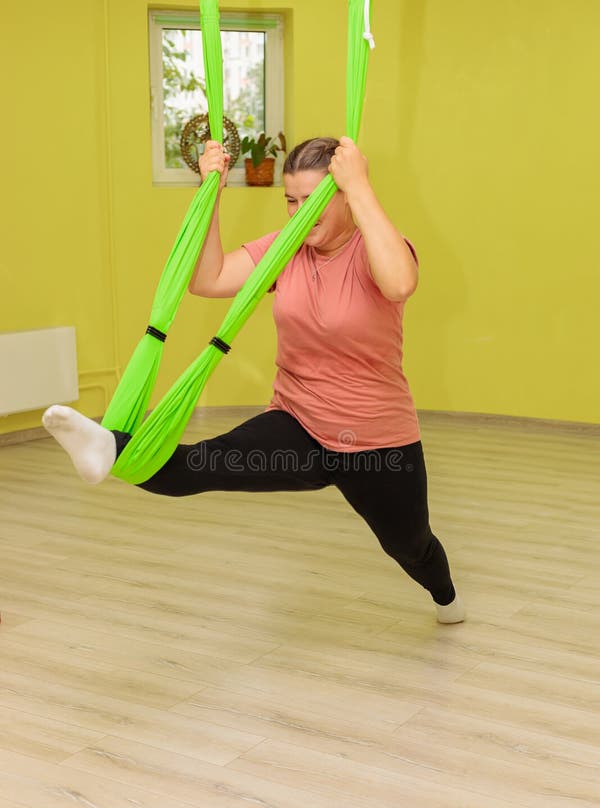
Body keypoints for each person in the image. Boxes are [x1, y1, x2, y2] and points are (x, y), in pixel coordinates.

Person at [42, 136, 465, 624]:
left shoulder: (377, 245)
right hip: (297, 426)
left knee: (410, 546)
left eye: (315, 200)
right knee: (197, 467)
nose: (299, 212)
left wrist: (362, 187)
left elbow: (400, 283)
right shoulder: (285, 250)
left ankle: (447, 597)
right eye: (291, 200)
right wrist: (211, 190)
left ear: (346, 195)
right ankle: (111, 447)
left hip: (377, 443)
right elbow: (209, 279)